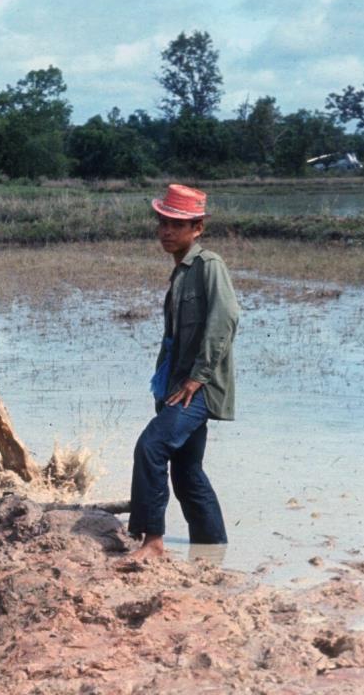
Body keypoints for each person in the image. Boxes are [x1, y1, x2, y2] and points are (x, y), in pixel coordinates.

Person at [128, 184, 239, 560]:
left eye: (176, 224)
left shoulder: (209, 266)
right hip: (178, 386)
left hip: (199, 387)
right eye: (162, 223)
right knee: (187, 471)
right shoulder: (181, 273)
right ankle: (212, 550)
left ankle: (153, 542)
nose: (166, 231)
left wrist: (198, 376)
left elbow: (225, 320)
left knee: (151, 446)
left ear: (198, 228)